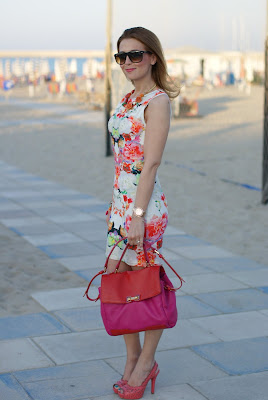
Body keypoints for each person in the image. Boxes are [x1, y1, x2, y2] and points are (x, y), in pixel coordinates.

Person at [105, 26, 180, 399]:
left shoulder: (157, 102)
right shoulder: (128, 98)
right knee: (117, 281)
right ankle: (132, 357)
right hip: (121, 208)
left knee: (146, 288)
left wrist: (135, 214)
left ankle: (145, 363)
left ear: (152, 56)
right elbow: (123, 161)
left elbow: (150, 165)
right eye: (122, 56)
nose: (128, 62)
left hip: (144, 209)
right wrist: (118, 208)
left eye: (136, 55)